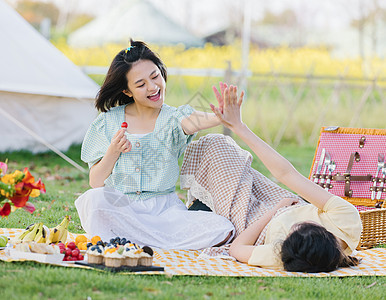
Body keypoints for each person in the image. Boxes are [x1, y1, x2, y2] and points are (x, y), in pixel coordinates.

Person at [75, 40, 235, 249]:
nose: (153, 87)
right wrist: (113, 152)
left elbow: (193, 119)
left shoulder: (172, 119)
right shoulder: (108, 122)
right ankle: (154, 241)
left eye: (155, 76)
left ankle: (132, 240)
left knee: (223, 228)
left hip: (165, 213)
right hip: (123, 208)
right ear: (127, 91)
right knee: (94, 200)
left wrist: (218, 116)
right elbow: (95, 182)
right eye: (141, 85)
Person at [206, 83, 362, 272]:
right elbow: (286, 174)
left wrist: (275, 210)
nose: (291, 228)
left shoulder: (287, 254)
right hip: (283, 200)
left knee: (214, 147)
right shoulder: (346, 219)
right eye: (299, 226)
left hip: (254, 222)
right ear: (324, 232)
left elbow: (237, 249)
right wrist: (239, 127)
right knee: (225, 149)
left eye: (289, 234)